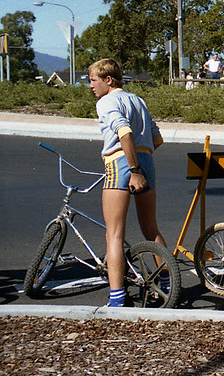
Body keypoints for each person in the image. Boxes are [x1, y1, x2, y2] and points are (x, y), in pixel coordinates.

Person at [87, 58, 168, 307]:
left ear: (108, 80)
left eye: (93, 80)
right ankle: (168, 285)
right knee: (151, 229)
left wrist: (133, 170)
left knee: (114, 234)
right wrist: (141, 164)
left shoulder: (106, 102)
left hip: (121, 164)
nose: (91, 86)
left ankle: (117, 299)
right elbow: (157, 138)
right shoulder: (138, 100)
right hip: (146, 160)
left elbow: (124, 132)